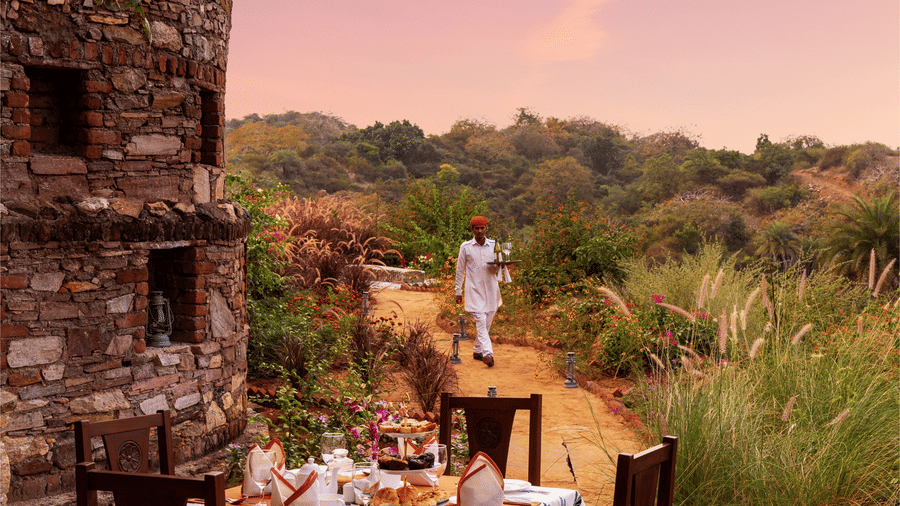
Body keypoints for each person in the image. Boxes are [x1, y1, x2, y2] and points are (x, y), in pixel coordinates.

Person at [455, 215, 510, 367]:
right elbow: (460, 270)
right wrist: (457, 291)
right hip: (473, 290)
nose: (479, 231)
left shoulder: (494, 246)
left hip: (491, 290)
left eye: (482, 228)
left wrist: (501, 265)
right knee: (480, 320)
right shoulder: (465, 247)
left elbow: (497, 267)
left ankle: (477, 349)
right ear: (472, 229)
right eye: (476, 228)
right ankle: (488, 353)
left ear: (486, 228)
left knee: (487, 323)